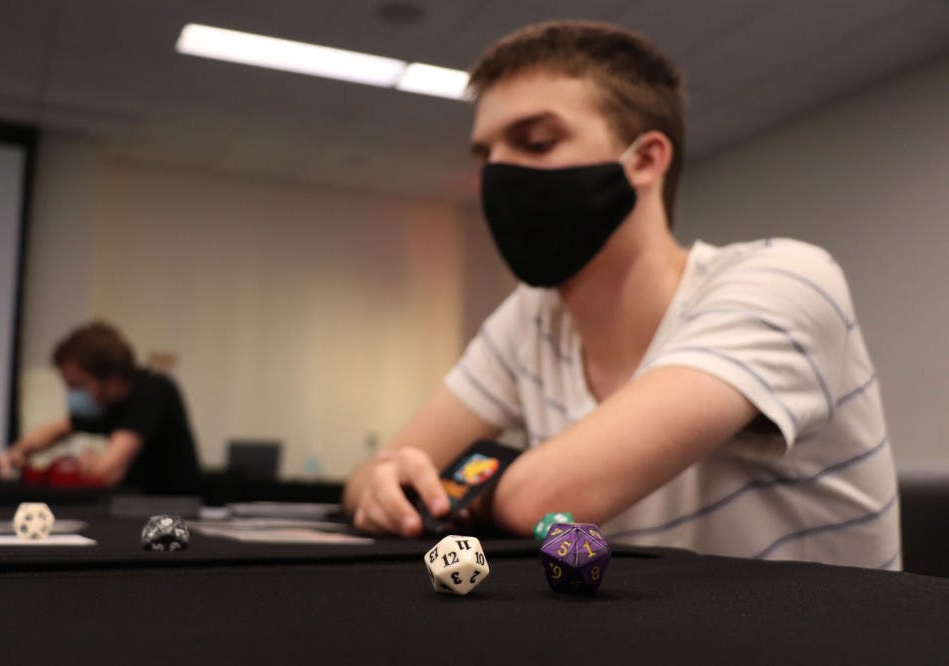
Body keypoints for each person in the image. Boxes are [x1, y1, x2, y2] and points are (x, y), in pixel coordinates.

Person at [343, 20, 899, 568]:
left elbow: (540, 501)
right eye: (485, 155)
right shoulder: (533, 318)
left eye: (535, 142)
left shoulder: (786, 279)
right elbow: (371, 476)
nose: (498, 175)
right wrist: (388, 486)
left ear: (645, 159)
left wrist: (467, 485)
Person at [0, 321, 201, 494]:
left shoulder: (153, 391)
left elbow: (106, 472)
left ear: (111, 380)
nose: (72, 394)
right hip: (132, 508)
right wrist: (12, 454)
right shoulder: (106, 403)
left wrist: (84, 465)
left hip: (174, 514)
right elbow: (55, 430)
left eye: (78, 385)